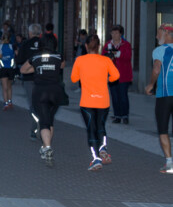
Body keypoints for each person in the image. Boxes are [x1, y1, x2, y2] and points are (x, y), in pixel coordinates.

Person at [71, 34, 120, 171]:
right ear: (99, 46)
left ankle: (96, 159)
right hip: (103, 101)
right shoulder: (106, 60)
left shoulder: (80, 60)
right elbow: (116, 75)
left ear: (86, 46)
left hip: (87, 101)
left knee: (91, 129)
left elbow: (74, 78)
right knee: (101, 126)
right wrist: (107, 80)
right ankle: (103, 147)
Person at [20, 34, 64, 166]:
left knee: (44, 122)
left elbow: (23, 70)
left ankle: (48, 148)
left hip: (40, 91)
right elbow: (61, 67)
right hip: (55, 91)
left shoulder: (35, 57)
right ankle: (45, 147)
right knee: (50, 120)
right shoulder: (59, 56)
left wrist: (37, 69)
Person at [145, 24, 173, 174]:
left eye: (158, 33)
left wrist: (151, 84)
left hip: (165, 95)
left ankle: (169, 163)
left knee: (163, 129)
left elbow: (156, 69)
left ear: (166, 33)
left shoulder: (160, 50)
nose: (156, 37)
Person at [17, 24, 42, 139]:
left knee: (32, 104)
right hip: (42, 77)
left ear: (30, 32)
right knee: (41, 103)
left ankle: (35, 126)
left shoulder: (25, 44)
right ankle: (39, 125)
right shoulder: (44, 43)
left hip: (28, 78)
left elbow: (19, 60)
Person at [104, 24, 133, 124]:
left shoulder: (126, 44)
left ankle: (125, 115)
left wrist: (117, 54)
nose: (114, 35)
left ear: (120, 34)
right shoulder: (108, 44)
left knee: (123, 96)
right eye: (112, 33)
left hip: (123, 75)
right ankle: (117, 115)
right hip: (111, 75)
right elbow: (103, 56)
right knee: (114, 96)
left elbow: (128, 57)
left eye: (116, 33)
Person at [0, 32, 16, 110]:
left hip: (3, 68)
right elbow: (16, 54)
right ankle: (10, 101)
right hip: (11, 69)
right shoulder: (12, 46)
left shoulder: (0, 46)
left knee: (4, 87)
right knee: (9, 86)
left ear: (2, 39)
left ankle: (5, 103)